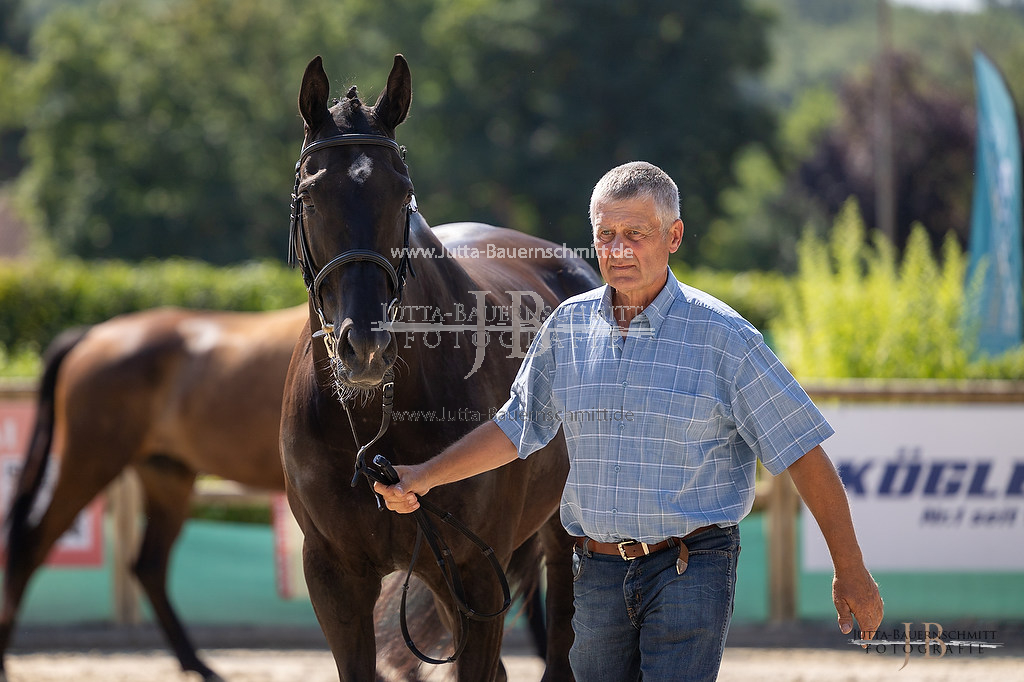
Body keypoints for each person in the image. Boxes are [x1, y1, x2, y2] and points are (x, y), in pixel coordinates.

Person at [375, 161, 883, 681]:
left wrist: (851, 571)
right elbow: (516, 427)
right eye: (606, 235)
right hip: (595, 576)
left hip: (691, 567)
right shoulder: (567, 328)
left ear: (674, 236)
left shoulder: (725, 338)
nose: (617, 250)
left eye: (635, 235)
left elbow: (801, 450)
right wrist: (424, 476)